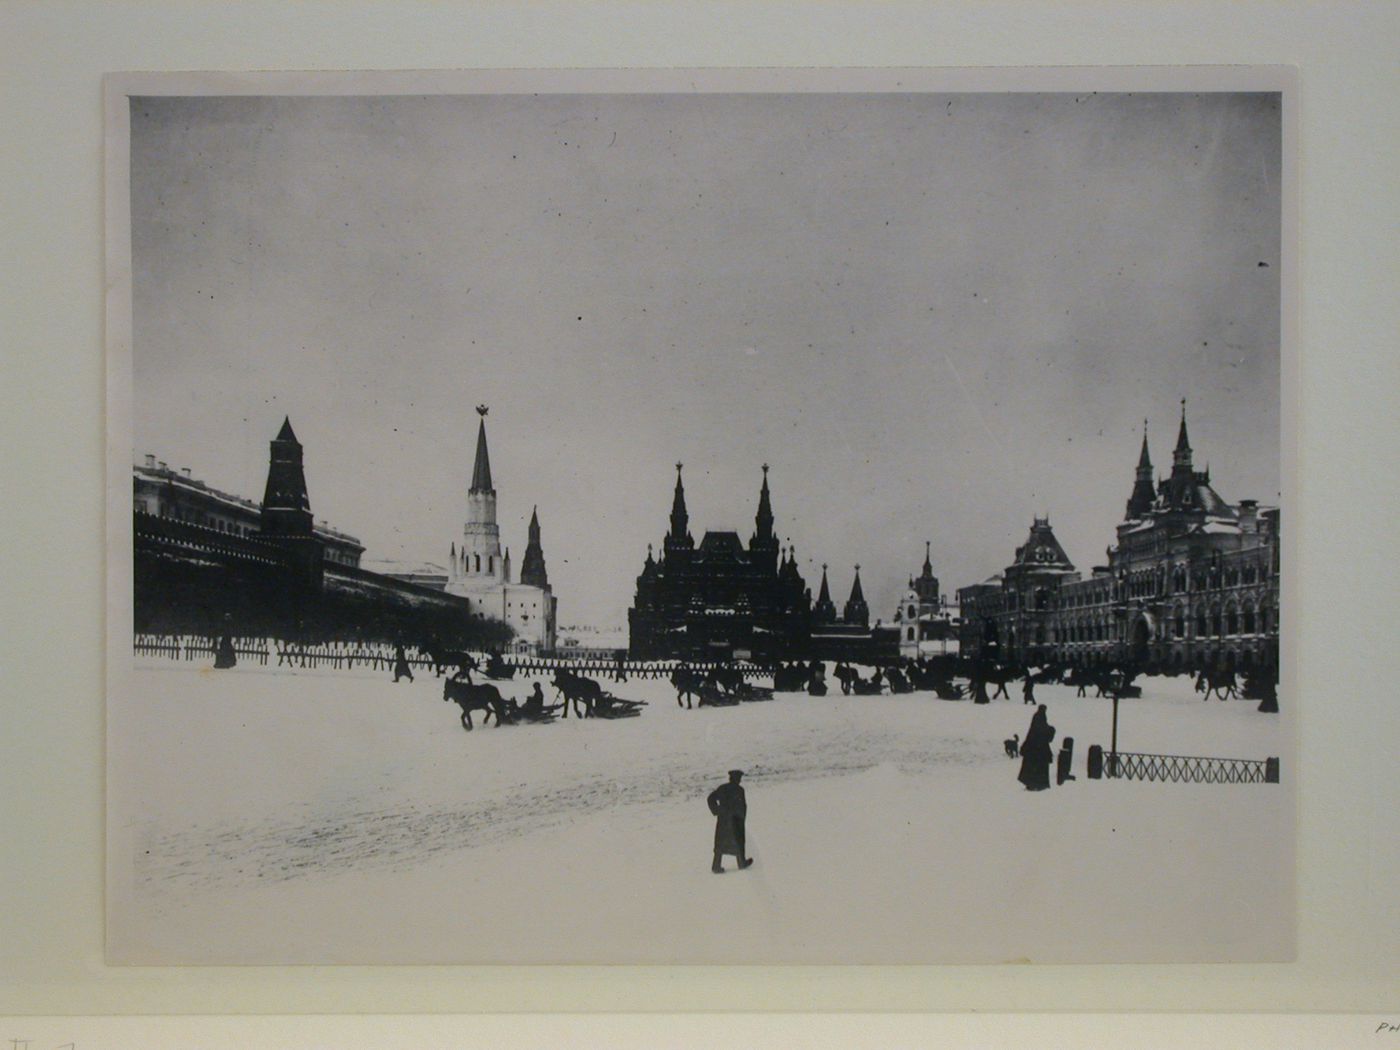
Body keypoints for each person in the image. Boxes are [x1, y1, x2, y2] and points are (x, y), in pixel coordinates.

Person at [707, 770, 752, 873]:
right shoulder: (740, 790)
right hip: (735, 820)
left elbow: (711, 798)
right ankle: (741, 862)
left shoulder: (723, 788)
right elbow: (742, 805)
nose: (739, 780)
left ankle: (716, 865)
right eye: (739, 778)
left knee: (721, 843)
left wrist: (717, 810)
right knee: (738, 841)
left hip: (725, 820)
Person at [1017, 704, 1055, 791]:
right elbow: (1043, 732)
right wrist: (1051, 730)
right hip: (1039, 750)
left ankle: (1032, 783)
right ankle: (1038, 783)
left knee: (1031, 766)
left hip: (1032, 749)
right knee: (1039, 767)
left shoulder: (1036, 718)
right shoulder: (1041, 719)